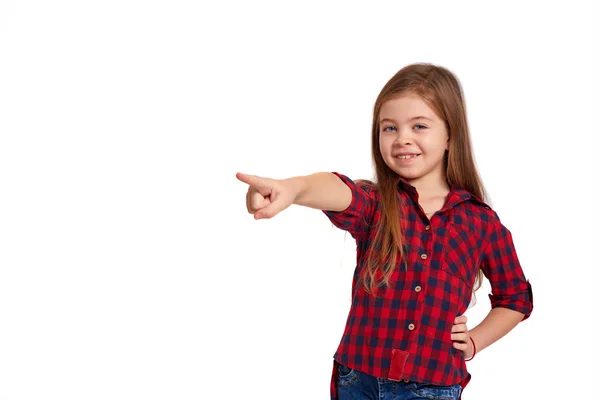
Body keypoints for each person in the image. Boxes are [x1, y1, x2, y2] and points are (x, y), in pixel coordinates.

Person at [236, 63, 533, 400]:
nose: (402, 138)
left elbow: (515, 299)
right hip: (357, 378)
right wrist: (293, 188)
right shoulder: (377, 203)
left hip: (431, 386)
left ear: (451, 135)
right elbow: (338, 190)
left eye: (419, 125)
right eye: (389, 128)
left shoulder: (481, 223)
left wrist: (476, 340)